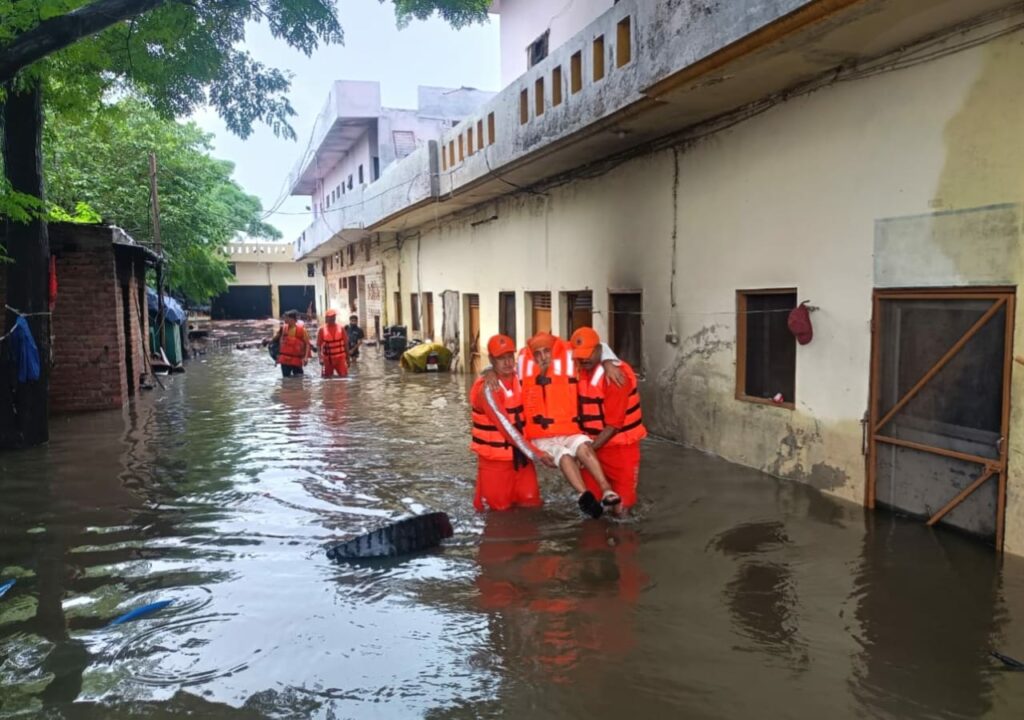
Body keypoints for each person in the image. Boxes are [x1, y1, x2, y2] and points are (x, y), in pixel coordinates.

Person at [520, 332, 620, 518]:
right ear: (531, 355)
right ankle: (584, 496)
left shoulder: (568, 355)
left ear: (553, 350)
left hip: (568, 428)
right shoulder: (521, 362)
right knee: (563, 455)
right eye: (538, 353)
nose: (543, 357)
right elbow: (499, 365)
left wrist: (608, 361)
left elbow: (599, 347)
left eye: (546, 351)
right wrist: (490, 372)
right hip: (540, 436)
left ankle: (607, 490)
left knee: (584, 445)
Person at [469, 334, 556, 512]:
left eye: (510, 357)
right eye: (501, 358)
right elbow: (506, 428)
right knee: (499, 513)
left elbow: (556, 359)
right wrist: (536, 454)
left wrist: (609, 361)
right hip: (496, 462)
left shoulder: (521, 378)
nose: (508, 362)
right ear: (492, 359)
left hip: (522, 459)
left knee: (532, 504)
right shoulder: (487, 388)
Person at [570, 327, 647, 515]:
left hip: (621, 449)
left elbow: (613, 426)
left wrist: (586, 453)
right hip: (591, 446)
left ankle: (624, 541)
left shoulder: (616, 377)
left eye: (588, 354)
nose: (584, 359)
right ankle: (593, 542)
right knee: (592, 507)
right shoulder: (578, 368)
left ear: (599, 350)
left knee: (622, 509)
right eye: (580, 355)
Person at [274, 309, 311, 377]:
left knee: (299, 379)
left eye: (286, 318)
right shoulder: (283, 329)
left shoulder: (302, 330)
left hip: (296, 359)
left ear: (292, 319)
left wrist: (306, 358)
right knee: (285, 380)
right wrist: (277, 356)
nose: (285, 319)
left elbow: (307, 344)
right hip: (285, 360)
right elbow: (280, 343)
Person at [317, 309, 349, 378]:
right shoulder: (322, 330)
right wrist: (320, 358)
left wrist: (348, 359)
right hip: (327, 359)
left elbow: (346, 344)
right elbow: (318, 346)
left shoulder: (341, 328)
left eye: (334, 316)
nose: (332, 318)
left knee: (344, 377)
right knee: (327, 379)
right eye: (330, 317)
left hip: (340, 358)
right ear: (326, 318)